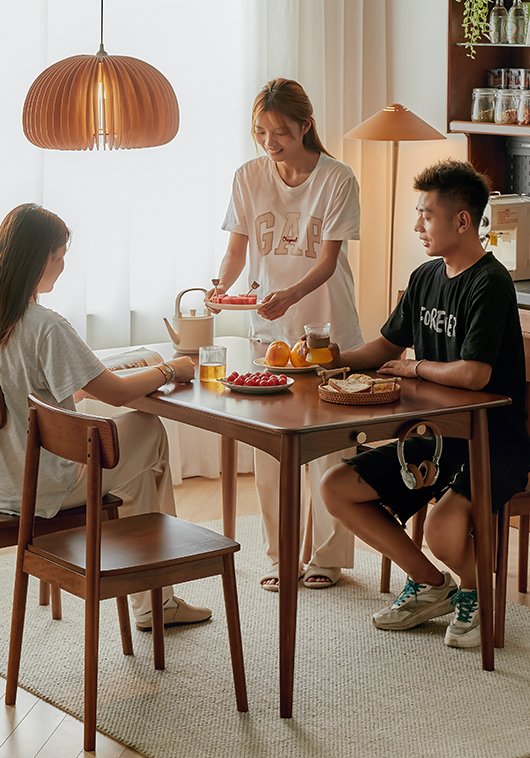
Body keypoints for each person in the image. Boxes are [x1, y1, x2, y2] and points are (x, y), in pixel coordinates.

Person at [0, 203, 212, 632]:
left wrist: (85, 385)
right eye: (58, 255)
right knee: (148, 430)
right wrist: (169, 369)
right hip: (44, 489)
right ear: (38, 259)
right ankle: (156, 598)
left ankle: (156, 602)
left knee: (137, 470)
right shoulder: (43, 325)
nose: (63, 265)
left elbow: (27, 395)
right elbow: (120, 393)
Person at [319, 158, 530, 648]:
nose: (417, 225)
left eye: (426, 215)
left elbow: (474, 374)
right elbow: (384, 349)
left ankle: (476, 591)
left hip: (493, 442)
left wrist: (414, 368)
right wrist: (333, 363)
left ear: (462, 220)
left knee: (441, 529)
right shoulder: (424, 278)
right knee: (337, 487)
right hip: (437, 439)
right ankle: (431, 584)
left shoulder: (491, 283)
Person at [211, 78, 364, 591]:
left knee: (327, 448)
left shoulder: (337, 179)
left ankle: (327, 559)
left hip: (326, 329)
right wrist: (220, 285)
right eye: (260, 131)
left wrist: (290, 296)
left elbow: (328, 261)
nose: (269, 142)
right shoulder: (248, 176)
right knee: (271, 448)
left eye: (279, 131)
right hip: (269, 332)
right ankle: (280, 558)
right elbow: (237, 249)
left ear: (306, 125)